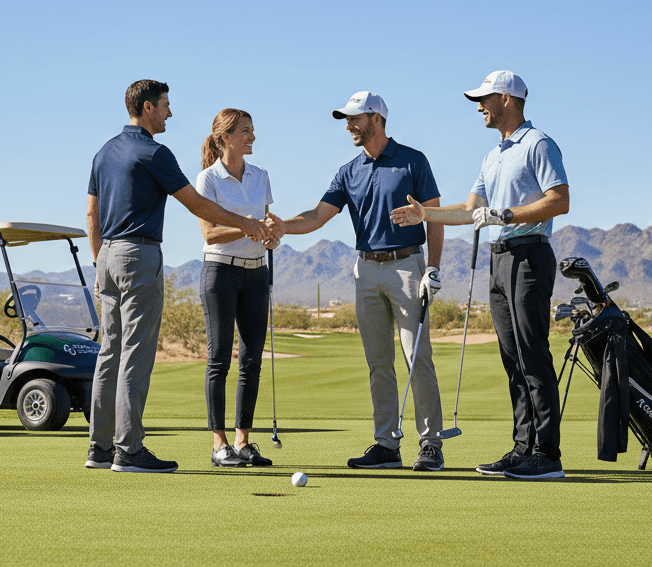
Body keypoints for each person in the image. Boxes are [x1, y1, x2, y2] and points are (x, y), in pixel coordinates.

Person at [390, 70, 569, 480]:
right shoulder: (493, 155)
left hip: (529, 254)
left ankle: (548, 454)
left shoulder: (538, 143)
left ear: (506, 99)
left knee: (532, 354)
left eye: (484, 99)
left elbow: (559, 201)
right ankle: (524, 447)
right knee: (512, 358)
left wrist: (504, 214)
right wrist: (426, 214)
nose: (479, 107)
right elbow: (470, 207)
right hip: (499, 256)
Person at [86, 79, 270, 473]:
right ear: (149, 107)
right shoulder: (155, 153)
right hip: (139, 255)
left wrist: (99, 262)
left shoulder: (104, 153)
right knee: (135, 354)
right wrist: (246, 223)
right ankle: (129, 450)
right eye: (166, 105)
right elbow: (196, 204)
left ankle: (99, 449)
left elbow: (91, 215)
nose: (170, 112)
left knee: (109, 354)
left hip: (107, 256)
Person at [267, 91, 447, 472]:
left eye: (355, 119)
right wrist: (284, 226)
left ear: (376, 119)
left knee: (417, 358)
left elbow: (435, 216)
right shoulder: (348, 170)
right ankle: (386, 445)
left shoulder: (412, 161)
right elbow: (318, 215)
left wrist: (432, 266)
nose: (349, 125)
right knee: (378, 363)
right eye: (347, 120)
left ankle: (430, 444)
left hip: (407, 267)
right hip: (365, 269)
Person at [194, 108, 280, 468]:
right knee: (219, 361)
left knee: (252, 361)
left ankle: (243, 442)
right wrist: (250, 226)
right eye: (246, 131)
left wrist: (271, 233)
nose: (253, 137)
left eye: (253, 130)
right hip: (220, 273)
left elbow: (267, 225)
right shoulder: (207, 179)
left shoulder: (261, 176)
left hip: (256, 273)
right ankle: (219, 445)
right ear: (225, 137)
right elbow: (210, 233)